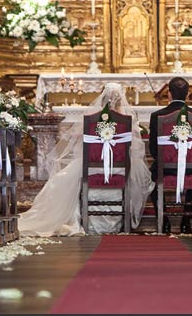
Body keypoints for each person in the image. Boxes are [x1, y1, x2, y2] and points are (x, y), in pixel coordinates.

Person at [19, 83, 154, 236]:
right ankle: (117, 223)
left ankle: (85, 221)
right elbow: (135, 150)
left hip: (91, 168)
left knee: (63, 179)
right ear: (120, 100)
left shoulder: (90, 120)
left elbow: (80, 148)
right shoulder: (127, 120)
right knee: (136, 172)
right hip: (120, 170)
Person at [149, 77, 192, 234]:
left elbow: (153, 150)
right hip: (191, 168)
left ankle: (164, 221)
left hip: (165, 169)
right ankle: (186, 222)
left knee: (151, 177)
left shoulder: (157, 116)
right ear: (188, 95)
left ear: (169, 94)